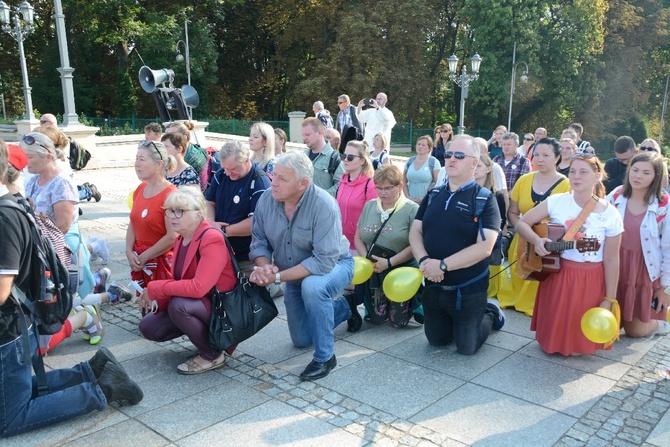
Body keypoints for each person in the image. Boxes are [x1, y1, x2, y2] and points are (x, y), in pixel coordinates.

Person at [0, 141, 143, 438]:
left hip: (8, 327)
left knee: (8, 418)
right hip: (15, 323)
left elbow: (1, 291)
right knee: (19, 392)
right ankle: (94, 369)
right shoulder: (11, 204)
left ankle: (102, 389)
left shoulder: (4, 217)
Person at [249, 151, 358, 380]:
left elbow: (323, 261)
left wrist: (277, 278)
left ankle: (325, 358)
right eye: (274, 175)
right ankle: (345, 307)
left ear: (303, 183)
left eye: (282, 179)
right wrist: (264, 267)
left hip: (335, 265)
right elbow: (259, 241)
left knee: (314, 287)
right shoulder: (267, 199)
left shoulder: (323, 205)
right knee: (301, 340)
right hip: (295, 274)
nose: (273, 182)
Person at [516, 153, 623, 356]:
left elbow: (611, 259)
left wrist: (609, 298)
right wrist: (537, 241)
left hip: (590, 278)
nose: (576, 177)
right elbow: (522, 223)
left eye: (583, 172)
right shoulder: (556, 201)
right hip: (558, 273)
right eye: (573, 171)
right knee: (552, 339)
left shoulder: (610, 214)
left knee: (578, 341)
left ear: (597, 176)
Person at [409, 134, 504, 355]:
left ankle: (491, 311)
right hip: (433, 286)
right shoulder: (433, 195)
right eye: (449, 154)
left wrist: (442, 265)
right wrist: (424, 261)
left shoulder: (485, 199)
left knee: (467, 348)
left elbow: (485, 247)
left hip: (468, 290)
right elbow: (415, 231)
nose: (451, 159)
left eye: (459, 156)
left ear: (474, 162)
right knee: (437, 342)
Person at [139, 186, 238, 374]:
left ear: (199, 215)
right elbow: (180, 279)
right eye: (169, 210)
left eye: (180, 211)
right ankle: (204, 336)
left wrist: (156, 287)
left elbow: (198, 288)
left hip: (224, 311)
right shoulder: (182, 238)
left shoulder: (211, 238)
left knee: (179, 306)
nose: (172, 216)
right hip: (202, 304)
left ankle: (212, 355)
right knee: (148, 327)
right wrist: (157, 298)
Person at [496, 137, 570, 315]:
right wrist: (523, 230)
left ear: (557, 157)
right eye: (536, 155)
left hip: (548, 244)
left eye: (546, 155)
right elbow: (512, 212)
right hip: (522, 241)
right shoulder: (524, 180)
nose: (540, 159)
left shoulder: (566, 184)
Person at [607, 153, 670, 337]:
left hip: (643, 270)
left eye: (645, 172)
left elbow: (668, 248)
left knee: (635, 331)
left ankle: (661, 324)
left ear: (656, 177)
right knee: (613, 325)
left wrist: (664, 288)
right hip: (615, 265)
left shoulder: (663, 204)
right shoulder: (617, 194)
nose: (638, 176)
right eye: (635, 170)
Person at [354, 165, 423, 328]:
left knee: (399, 322)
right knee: (376, 319)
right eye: (378, 188)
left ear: (400, 186)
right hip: (375, 269)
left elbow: (416, 245)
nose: (382, 192)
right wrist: (366, 260)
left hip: (401, 269)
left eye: (387, 188)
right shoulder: (370, 206)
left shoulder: (411, 209)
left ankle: (416, 304)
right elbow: (358, 237)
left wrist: (389, 262)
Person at [205, 141, 271, 273]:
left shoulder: (259, 182)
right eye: (225, 168)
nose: (228, 173)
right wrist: (211, 222)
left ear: (246, 161)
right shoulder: (221, 175)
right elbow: (209, 202)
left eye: (233, 169)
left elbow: (256, 223)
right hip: (219, 251)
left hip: (247, 257)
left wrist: (222, 230)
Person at [126, 140, 177, 294]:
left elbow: (172, 236)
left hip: (161, 265)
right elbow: (134, 222)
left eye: (141, 159)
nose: (137, 164)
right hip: (142, 262)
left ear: (159, 164)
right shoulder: (140, 189)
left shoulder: (170, 195)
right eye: (136, 159)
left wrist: (145, 256)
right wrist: (129, 251)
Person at [475, 153, 507, 298]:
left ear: (488, 169)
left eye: (479, 166)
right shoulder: (464, 191)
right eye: (473, 165)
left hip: (486, 244)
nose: (475, 169)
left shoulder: (496, 195)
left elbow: (501, 221)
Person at [336, 140, 378, 251]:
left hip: (359, 246)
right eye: (343, 156)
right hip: (339, 241)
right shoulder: (342, 180)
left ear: (362, 160)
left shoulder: (370, 185)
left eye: (350, 157)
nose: (345, 160)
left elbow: (373, 218)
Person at [302, 117, 344, 197]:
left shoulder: (334, 158)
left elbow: (340, 187)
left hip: (323, 207)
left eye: (307, 135)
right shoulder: (303, 156)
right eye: (303, 135)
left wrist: (318, 196)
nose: (304, 138)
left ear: (320, 133)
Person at [165, 121, 209, 190]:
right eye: (166, 135)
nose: (166, 139)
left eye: (171, 136)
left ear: (184, 137)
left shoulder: (195, 159)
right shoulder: (172, 154)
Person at [403, 136, 440, 204]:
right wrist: (407, 196)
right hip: (410, 202)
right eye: (418, 144)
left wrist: (425, 198)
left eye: (423, 145)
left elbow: (438, 183)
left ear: (429, 148)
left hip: (427, 202)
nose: (420, 146)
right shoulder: (410, 161)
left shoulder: (434, 162)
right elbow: (403, 181)